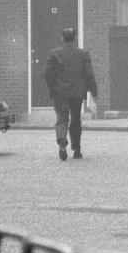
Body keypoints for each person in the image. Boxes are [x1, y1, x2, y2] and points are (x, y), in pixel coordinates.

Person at [44, 27, 97, 160]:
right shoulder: (83, 54)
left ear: (62, 39)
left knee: (62, 118)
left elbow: (47, 73)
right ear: (75, 38)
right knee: (75, 119)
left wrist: (52, 88)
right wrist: (93, 90)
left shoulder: (54, 54)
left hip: (60, 92)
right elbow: (89, 74)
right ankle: (76, 149)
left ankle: (62, 143)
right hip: (77, 93)